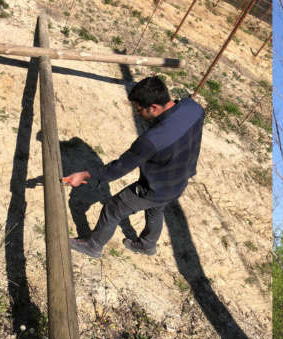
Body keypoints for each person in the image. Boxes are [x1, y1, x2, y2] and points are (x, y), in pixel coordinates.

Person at [63, 76, 205, 258]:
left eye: (139, 109)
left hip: (154, 188)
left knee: (113, 208)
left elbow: (118, 168)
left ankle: (93, 246)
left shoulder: (151, 141)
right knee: (156, 209)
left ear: (153, 107)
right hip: (178, 181)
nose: (138, 113)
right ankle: (147, 245)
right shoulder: (193, 108)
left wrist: (85, 174)